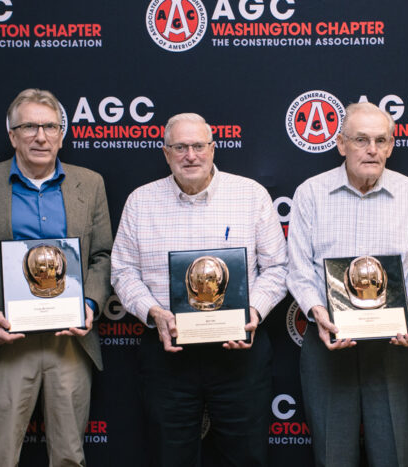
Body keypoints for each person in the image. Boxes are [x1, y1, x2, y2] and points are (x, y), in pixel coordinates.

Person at [0, 88, 113, 466]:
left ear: (61, 134)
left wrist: (90, 303)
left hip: (69, 344)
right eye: (30, 126)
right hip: (4, 345)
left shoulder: (90, 183)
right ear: (12, 135)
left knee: (69, 455)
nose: (41, 136)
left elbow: (103, 257)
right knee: (0, 457)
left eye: (50, 126)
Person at [111, 112, 288, 466]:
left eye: (198, 146)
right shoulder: (141, 202)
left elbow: (278, 268)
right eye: (180, 147)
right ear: (166, 153)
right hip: (168, 353)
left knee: (247, 456)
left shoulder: (250, 195)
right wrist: (153, 312)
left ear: (213, 149)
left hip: (240, 352)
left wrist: (252, 312)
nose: (190, 155)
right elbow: (123, 272)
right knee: (169, 456)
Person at [286, 102, 408, 467]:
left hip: (394, 342)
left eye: (380, 140)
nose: (372, 149)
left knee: (396, 456)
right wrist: (318, 313)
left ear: (390, 146)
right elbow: (298, 268)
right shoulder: (310, 193)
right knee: (331, 456)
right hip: (329, 338)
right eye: (361, 140)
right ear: (341, 144)